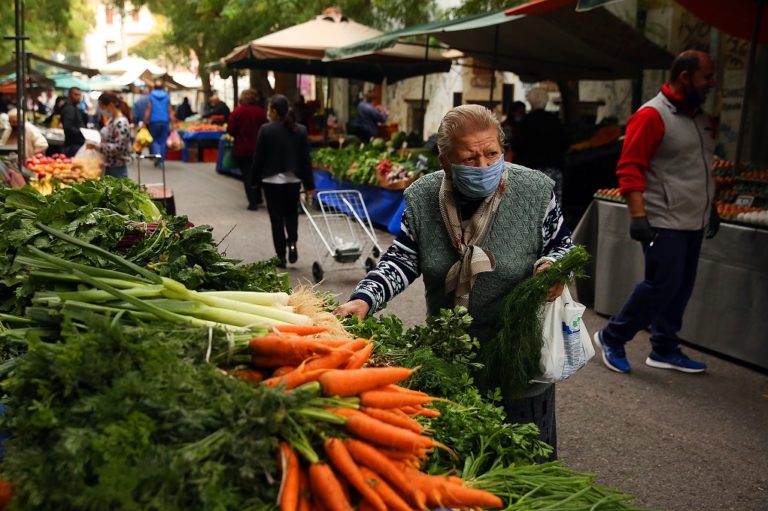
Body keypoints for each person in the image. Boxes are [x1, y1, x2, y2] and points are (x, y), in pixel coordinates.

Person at [335, 104, 575, 456]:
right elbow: (402, 259)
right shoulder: (422, 198)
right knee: (460, 459)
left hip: (518, 353)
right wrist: (364, 298)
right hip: (450, 354)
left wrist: (554, 266)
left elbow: (563, 246)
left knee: (525, 457)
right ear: (445, 160)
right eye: (470, 157)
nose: (484, 166)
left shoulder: (536, 191)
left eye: (492, 153)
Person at [593, 50, 718, 375]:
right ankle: (612, 336)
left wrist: (711, 206)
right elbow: (630, 167)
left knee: (681, 286)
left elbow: (698, 170)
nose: (711, 84)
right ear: (685, 77)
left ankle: (664, 348)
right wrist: (638, 216)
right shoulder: (651, 115)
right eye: (706, 77)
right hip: (663, 218)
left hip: (693, 219)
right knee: (662, 283)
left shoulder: (699, 118)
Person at [252, 95, 315, 268]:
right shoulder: (300, 130)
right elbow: (305, 160)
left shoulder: (266, 130)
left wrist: (254, 180)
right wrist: (310, 185)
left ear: (274, 111)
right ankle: (292, 242)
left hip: (271, 181)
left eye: (268, 109)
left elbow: (258, 158)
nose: (267, 112)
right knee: (291, 214)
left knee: (276, 219)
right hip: (293, 180)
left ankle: (281, 256)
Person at [514, 88, 568, 204]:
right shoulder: (555, 121)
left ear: (530, 102)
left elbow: (517, 146)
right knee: (553, 207)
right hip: (553, 169)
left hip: (529, 171)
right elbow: (564, 144)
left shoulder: (525, 122)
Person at [227, 89, 268, 210]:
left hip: (242, 149)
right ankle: (259, 197)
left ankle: (253, 202)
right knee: (258, 173)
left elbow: (230, 130)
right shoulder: (261, 113)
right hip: (260, 149)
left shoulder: (237, 112)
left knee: (247, 175)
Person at [96, 92, 133, 178]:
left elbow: (119, 147)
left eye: (103, 108)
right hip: (108, 166)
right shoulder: (111, 120)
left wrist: (97, 146)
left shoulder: (121, 123)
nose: (102, 111)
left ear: (111, 105)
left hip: (117, 169)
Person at [143, 79, 175, 167]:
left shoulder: (151, 96)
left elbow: (148, 110)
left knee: (154, 140)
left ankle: (157, 154)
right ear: (162, 88)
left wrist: (144, 122)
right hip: (165, 121)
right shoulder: (167, 96)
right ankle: (161, 161)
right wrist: (173, 123)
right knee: (163, 141)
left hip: (154, 121)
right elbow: (170, 111)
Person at [59, 87, 87, 157]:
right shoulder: (69, 109)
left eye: (79, 95)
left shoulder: (75, 108)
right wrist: (82, 132)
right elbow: (68, 127)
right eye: (76, 94)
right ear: (69, 95)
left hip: (75, 145)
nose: (78, 97)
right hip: (73, 146)